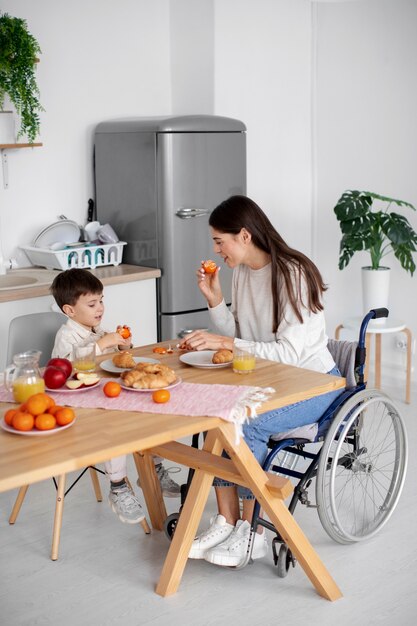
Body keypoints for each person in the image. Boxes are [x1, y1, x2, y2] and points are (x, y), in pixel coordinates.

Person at [179, 195, 344, 567]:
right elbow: (242, 335)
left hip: (314, 383)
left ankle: (251, 532)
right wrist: (215, 303)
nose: (217, 250)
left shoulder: (293, 273)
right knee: (219, 418)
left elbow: (287, 353)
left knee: (247, 425)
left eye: (220, 241)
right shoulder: (242, 273)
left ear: (244, 235)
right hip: (273, 380)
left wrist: (226, 342)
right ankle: (227, 521)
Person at [50, 268, 180, 526]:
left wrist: (124, 346)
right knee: (116, 424)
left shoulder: (97, 329)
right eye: (92, 303)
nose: (100, 308)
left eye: (101, 300)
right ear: (69, 311)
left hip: (103, 393)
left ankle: (153, 468)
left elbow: (116, 362)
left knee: (150, 408)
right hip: (75, 404)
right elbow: (66, 366)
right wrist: (102, 344)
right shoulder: (66, 336)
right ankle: (118, 486)